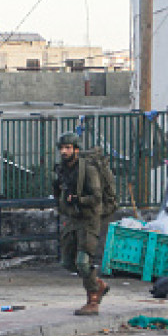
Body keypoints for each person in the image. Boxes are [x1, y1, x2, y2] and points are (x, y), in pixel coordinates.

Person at [53, 132, 109, 315]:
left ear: (76, 150)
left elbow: (96, 197)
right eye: (62, 148)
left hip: (88, 219)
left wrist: (79, 199)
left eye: (68, 148)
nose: (64, 151)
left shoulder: (88, 170)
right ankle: (98, 284)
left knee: (83, 262)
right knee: (68, 263)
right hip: (72, 219)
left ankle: (93, 300)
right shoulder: (62, 170)